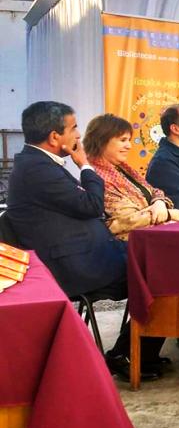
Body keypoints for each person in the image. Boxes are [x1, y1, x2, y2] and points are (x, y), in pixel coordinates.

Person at [5, 102, 164, 381]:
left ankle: (134, 352)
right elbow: (92, 205)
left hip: (91, 252)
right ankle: (128, 355)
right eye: (74, 128)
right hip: (75, 266)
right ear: (55, 137)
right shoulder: (37, 169)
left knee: (163, 267)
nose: (78, 135)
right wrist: (85, 165)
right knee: (164, 277)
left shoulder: (38, 163)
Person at [83, 114, 179, 241]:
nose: (129, 146)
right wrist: (169, 214)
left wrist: (159, 202)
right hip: (129, 248)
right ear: (101, 142)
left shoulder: (123, 169)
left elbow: (154, 191)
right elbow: (124, 221)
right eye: (123, 140)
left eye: (129, 140)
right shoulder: (96, 177)